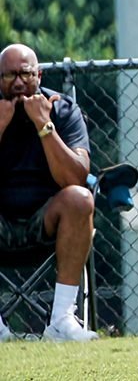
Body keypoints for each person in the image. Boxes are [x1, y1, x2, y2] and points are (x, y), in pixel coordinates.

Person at [0, 44, 98, 342]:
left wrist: (44, 125)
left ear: (39, 75)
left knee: (80, 199)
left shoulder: (64, 110)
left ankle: (61, 321)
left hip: (48, 227)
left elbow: (76, 177)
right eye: (8, 76)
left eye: (25, 74)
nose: (17, 83)